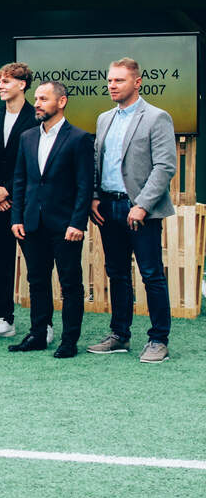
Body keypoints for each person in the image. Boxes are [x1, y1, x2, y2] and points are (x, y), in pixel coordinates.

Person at [87, 57, 177, 363]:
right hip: (108, 207)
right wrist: (95, 196)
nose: (112, 85)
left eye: (119, 80)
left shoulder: (157, 117)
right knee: (117, 273)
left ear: (137, 82)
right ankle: (119, 335)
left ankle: (158, 340)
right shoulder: (104, 119)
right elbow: (97, 161)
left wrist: (142, 205)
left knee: (151, 275)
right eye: (110, 80)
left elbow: (165, 166)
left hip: (140, 210)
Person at [9, 82, 94, 358]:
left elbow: (85, 186)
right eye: (36, 98)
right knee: (37, 281)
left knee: (70, 284)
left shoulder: (79, 138)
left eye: (44, 99)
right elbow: (20, 180)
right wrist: (16, 217)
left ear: (62, 102)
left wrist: (77, 223)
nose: (37, 103)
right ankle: (38, 334)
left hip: (65, 226)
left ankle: (69, 341)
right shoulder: (27, 137)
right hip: (32, 223)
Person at [0, 62, 37, 340]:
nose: (0, 86)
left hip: (24, 204)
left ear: (22, 85)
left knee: (36, 265)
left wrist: (8, 191)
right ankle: (4, 318)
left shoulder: (36, 118)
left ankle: (42, 324)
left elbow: (36, 163)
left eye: (6, 81)